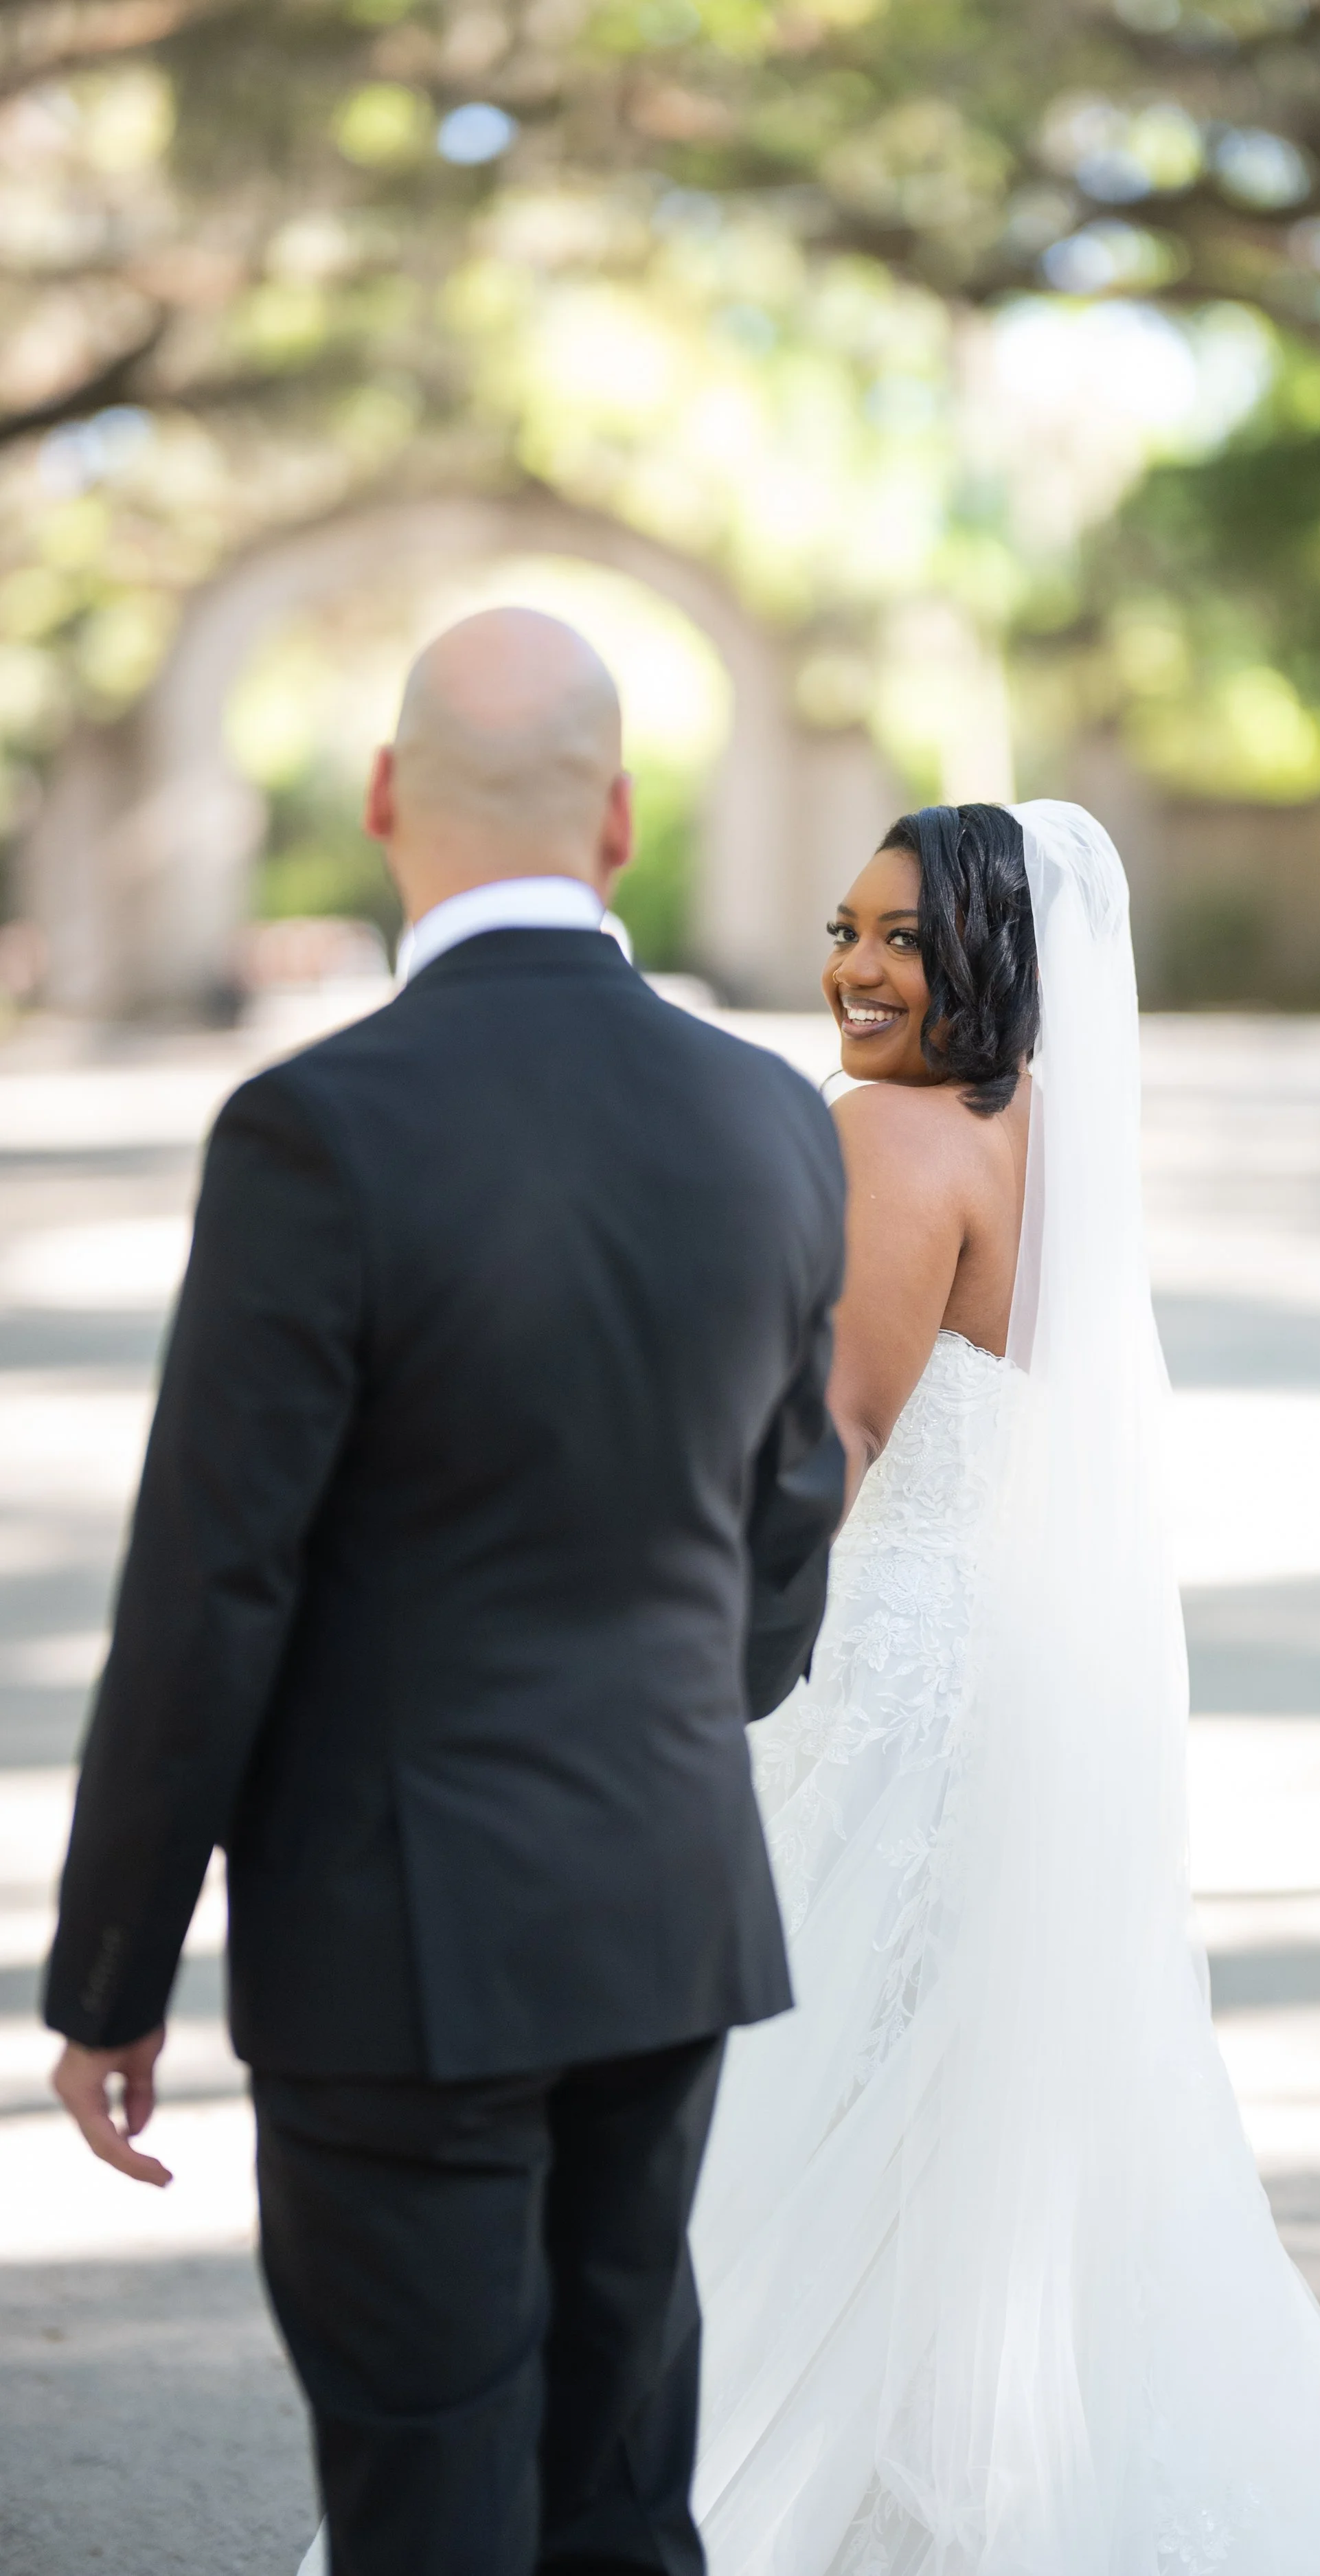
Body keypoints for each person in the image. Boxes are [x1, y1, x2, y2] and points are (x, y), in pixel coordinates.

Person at [42, 608, 848, 2576]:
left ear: (386, 797)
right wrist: (651, 1732)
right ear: (624, 821)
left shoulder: (319, 1128)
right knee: (621, 2473)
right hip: (664, 1904)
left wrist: (111, 1973)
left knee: (429, 2493)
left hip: (397, 1939)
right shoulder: (767, 1115)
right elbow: (790, 1522)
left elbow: (212, 1583)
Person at [688, 802, 1320, 2573]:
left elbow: (845, 1433)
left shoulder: (886, 1131)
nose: (856, 972)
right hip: (1003, 1680)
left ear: (993, 956)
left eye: (903, 940)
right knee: (947, 2122)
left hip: (874, 1675)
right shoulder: (1040, 1134)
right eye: (845, 930)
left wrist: (696, 1651)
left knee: (819, 2106)